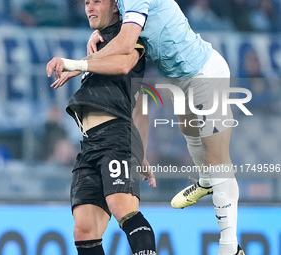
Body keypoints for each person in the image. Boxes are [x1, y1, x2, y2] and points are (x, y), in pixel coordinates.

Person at [62, 0, 245, 254]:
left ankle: (229, 246)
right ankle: (205, 181)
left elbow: (126, 45)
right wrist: (100, 31)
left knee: (217, 159)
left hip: (205, 73)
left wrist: (79, 63)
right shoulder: (124, 6)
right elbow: (121, 26)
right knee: (190, 133)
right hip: (179, 81)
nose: (90, 5)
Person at [46, 0, 157, 254]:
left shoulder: (130, 38)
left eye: (97, 1)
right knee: (84, 227)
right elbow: (138, 105)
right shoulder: (98, 44)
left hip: (116, 137)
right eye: (86, 2)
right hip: (90, 143)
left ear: (117, 6)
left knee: (123, 207)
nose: (89, 7)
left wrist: (77, 64)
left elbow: (123, 65)